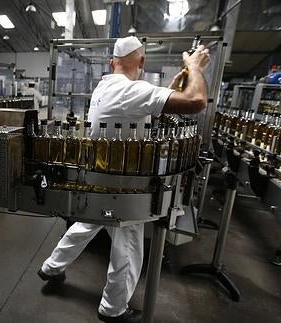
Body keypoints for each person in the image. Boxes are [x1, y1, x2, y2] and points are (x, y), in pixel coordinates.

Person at [37, 36, 210, 323]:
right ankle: (113, 309)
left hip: (98, 175)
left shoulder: (104, 87)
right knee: (128, 244)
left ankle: (51, 267)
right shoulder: (134, 90)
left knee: (88, 221)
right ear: (141, 62)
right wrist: (195, 68)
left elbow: (142, 109)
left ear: (111, 62)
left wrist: (170, 89)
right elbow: (196, 101)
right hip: (125, 185)